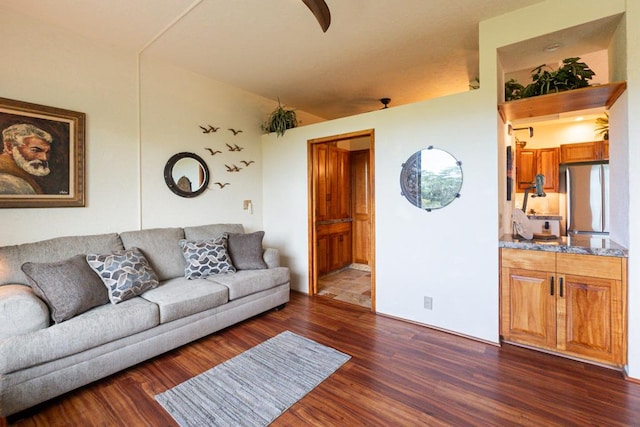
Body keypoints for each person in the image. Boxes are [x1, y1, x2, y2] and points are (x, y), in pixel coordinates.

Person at [0, 123, 53, 194]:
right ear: (9, 147)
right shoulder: (7, 182)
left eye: (47, 152)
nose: (44, 158)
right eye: (35, 150)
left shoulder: (21, 174)